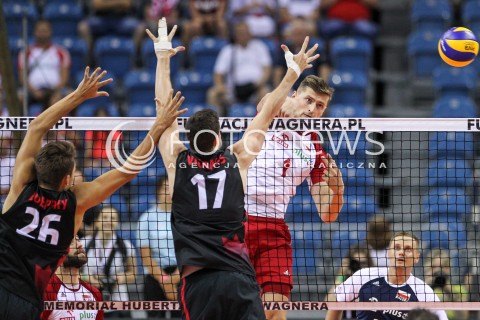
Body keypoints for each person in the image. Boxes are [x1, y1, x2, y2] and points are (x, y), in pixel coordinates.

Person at [148, 17, 319, 319]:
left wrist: (162, 59)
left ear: (188, 137)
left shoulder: (178, 162)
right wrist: (293, 72)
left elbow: (164, 110)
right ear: (219, 137)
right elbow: (266, 111)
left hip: (198, 278)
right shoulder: (236, 158)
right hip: (238, 277)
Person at [0, 66, 186, 319]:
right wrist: (158, 127)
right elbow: (127, 171)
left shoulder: (20, 186)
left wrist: (79, 95)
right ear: (68, 179)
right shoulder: (75, 203)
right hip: (27, 302)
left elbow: (36, 127)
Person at [245, 74, 344, 320]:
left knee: (275, 310)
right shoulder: (274, 114)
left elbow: (327, 214)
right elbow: (265, 102)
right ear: (294, 96)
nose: (312, 109)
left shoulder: (316, 152)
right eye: (308, 100)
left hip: (273, 229)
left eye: (320, 105)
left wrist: (338, 191)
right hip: (238, 220)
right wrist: (288, 98)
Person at [325, 232, 449, 320]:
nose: (401, 252)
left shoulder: (423, 292)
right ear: (388, 253)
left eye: (408, 249)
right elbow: (336, 301)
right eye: (396, 248)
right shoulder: (365, 276)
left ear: (417, 257)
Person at [137, 176, 181, 319]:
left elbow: (191, 251)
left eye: (171, 188)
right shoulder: (146, 218)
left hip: (181, 274)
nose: (168, 192)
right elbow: (145, 257)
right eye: (165, 188)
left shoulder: (185, 218)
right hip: (155, 276)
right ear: (158, 191)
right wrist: (165, 281)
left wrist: (175, 278)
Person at [81, 206, 136, 318]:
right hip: (88, 303)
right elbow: (72, 274)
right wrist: (88, 279)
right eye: (104, 217)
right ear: (96, 222)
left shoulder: (125, 246)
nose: (108, 221)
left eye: (112, 218)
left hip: (118, 303)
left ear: (117, 223)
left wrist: (122, 278)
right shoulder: (83, 244)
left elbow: (134, 274)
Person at [207, 21, 272, 114]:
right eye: (241, 33)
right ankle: (214, 124)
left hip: (255, 88)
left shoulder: (259, 47)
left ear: (250, 33)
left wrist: (259, 83)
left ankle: (263, 124)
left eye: (245, 32)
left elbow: (267, 69)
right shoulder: (228, 50)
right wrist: (220, 86)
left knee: (266, 93)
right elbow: (218, 73)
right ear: (235, 35)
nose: (243, 35)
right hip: (233, 90)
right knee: (213, 94)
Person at [41, 236, 104, 320]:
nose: (79, 245)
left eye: (78, 240)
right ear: (57, 252)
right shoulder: (46, 291)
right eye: (71, 242)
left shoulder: (94, 293)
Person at [18, 20, 71, 109]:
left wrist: (56, 91)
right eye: (40, 31)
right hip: (32, 91)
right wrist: (34, 91)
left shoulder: (61, 52)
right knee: (18, 97)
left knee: (70, 95)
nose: (42, 34)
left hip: (54, 90)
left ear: (50, 32)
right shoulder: (26, 52)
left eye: (45, 31)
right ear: (35, 32)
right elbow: (22, 76)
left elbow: (64, 77)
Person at [327, 245, 374, 319]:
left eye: (363, 263)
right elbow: (329, 303)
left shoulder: (376, 282)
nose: (360, 267)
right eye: (356, 263)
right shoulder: (344, 281)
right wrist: (341, 274)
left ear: (369, 264)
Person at [423, 248, 468, 320]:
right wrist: (426, 286)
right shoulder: (419, 288)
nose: (437, 270)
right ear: (427, 268)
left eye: (442, 267)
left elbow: (463, 316)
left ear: (448, 268)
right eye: (433, 267)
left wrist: (450, 292)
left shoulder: (459, 289)